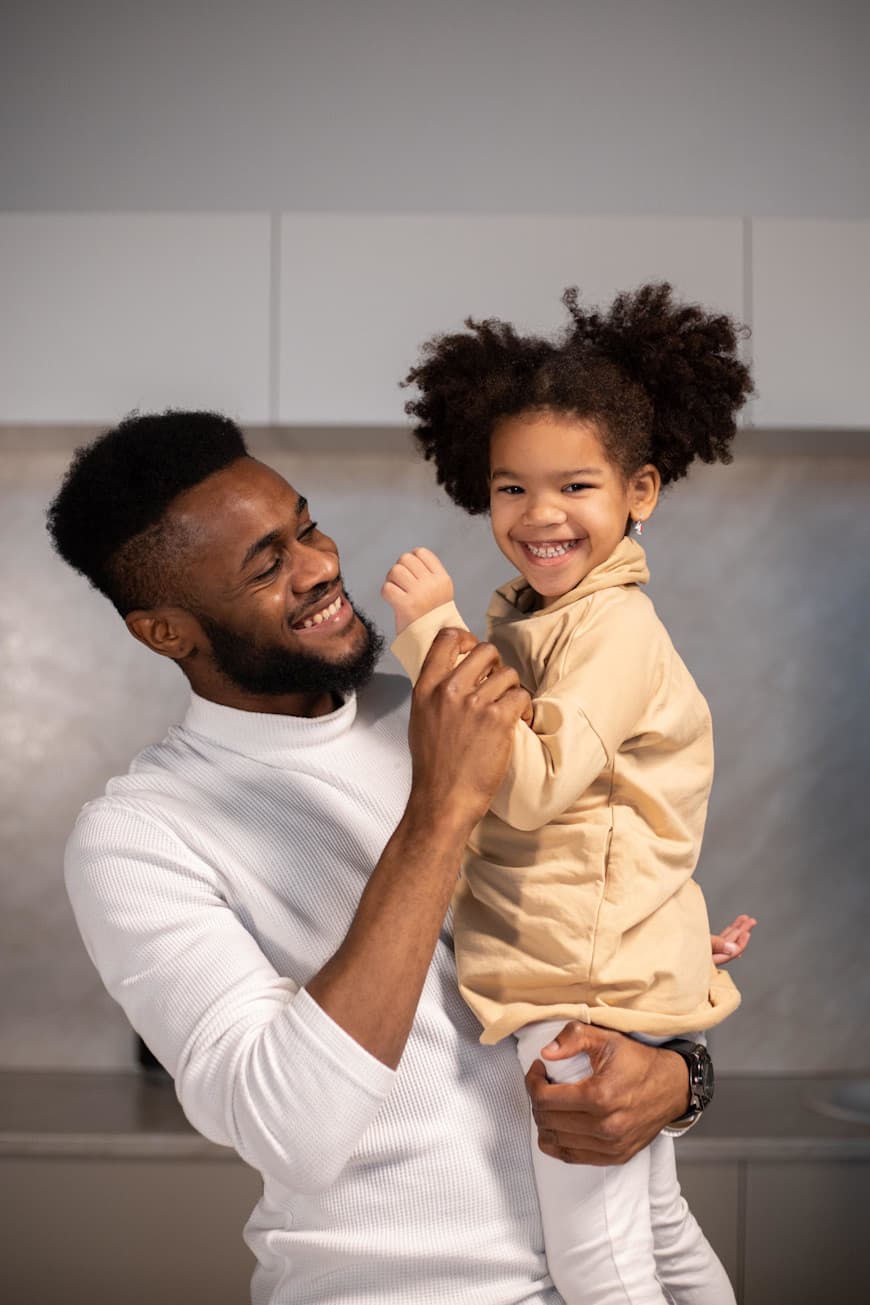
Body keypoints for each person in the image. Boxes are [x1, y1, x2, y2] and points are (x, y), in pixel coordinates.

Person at [48, 409, 748, 1305]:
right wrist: (440, 805)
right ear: (166, 631)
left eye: (305, 525)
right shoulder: (140, 835)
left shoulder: (450, 698)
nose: (320, 564)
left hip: (624, 1261)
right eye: (267, 563)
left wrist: (680, 1079)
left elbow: (606, 916)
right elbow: (293, 1129)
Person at [382, 283, 756, 1305]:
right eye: (511, 490)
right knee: (662, 1235)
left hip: (574, 994)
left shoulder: (610, 630)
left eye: (576, 486)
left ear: (641, 492)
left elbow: (536, 786)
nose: (541, 515)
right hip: (584, 968)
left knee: (596, 1264)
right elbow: (613, 814)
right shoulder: (545, 624)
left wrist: (430, 633)